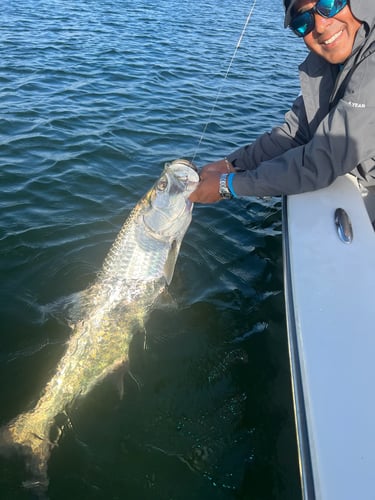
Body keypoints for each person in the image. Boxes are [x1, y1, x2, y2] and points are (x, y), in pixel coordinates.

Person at [189, 0, 375, 204]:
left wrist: (229, 185)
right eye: (304, 21)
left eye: (329, 4)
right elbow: (296, 134)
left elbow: (324, 160)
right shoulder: (325, 64)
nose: (321, 26)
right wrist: (230, 164)